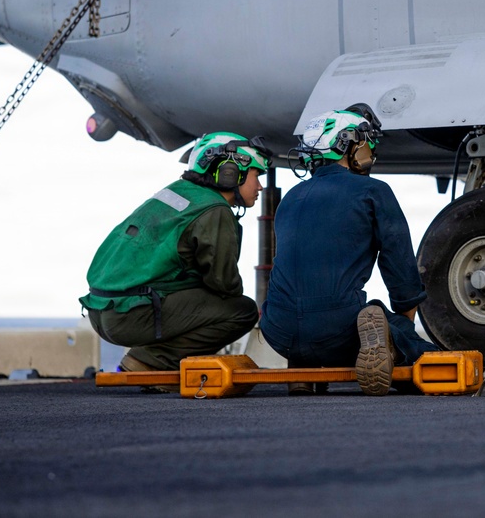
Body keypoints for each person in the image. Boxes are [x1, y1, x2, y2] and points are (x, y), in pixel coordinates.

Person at [259, 103, 437, 396]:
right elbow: (399, 266)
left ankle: (302, 367)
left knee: (311, 309)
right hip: (337, 329)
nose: (371, 153)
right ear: (348, 146)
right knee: (408, 340)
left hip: (279, 331)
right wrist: (402, 329)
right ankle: (389, 347)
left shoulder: (291, 198)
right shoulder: (373, 191)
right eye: (366, 144)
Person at [81, 132, 269, 375]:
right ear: (230, 172)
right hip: (132, 315)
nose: (260, 186)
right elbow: (225, 285)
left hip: (103, 311)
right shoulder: (214, 209)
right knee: (241, 311)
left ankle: (149, 359)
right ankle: (151, 361)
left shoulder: (180, 193)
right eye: (256, 175)